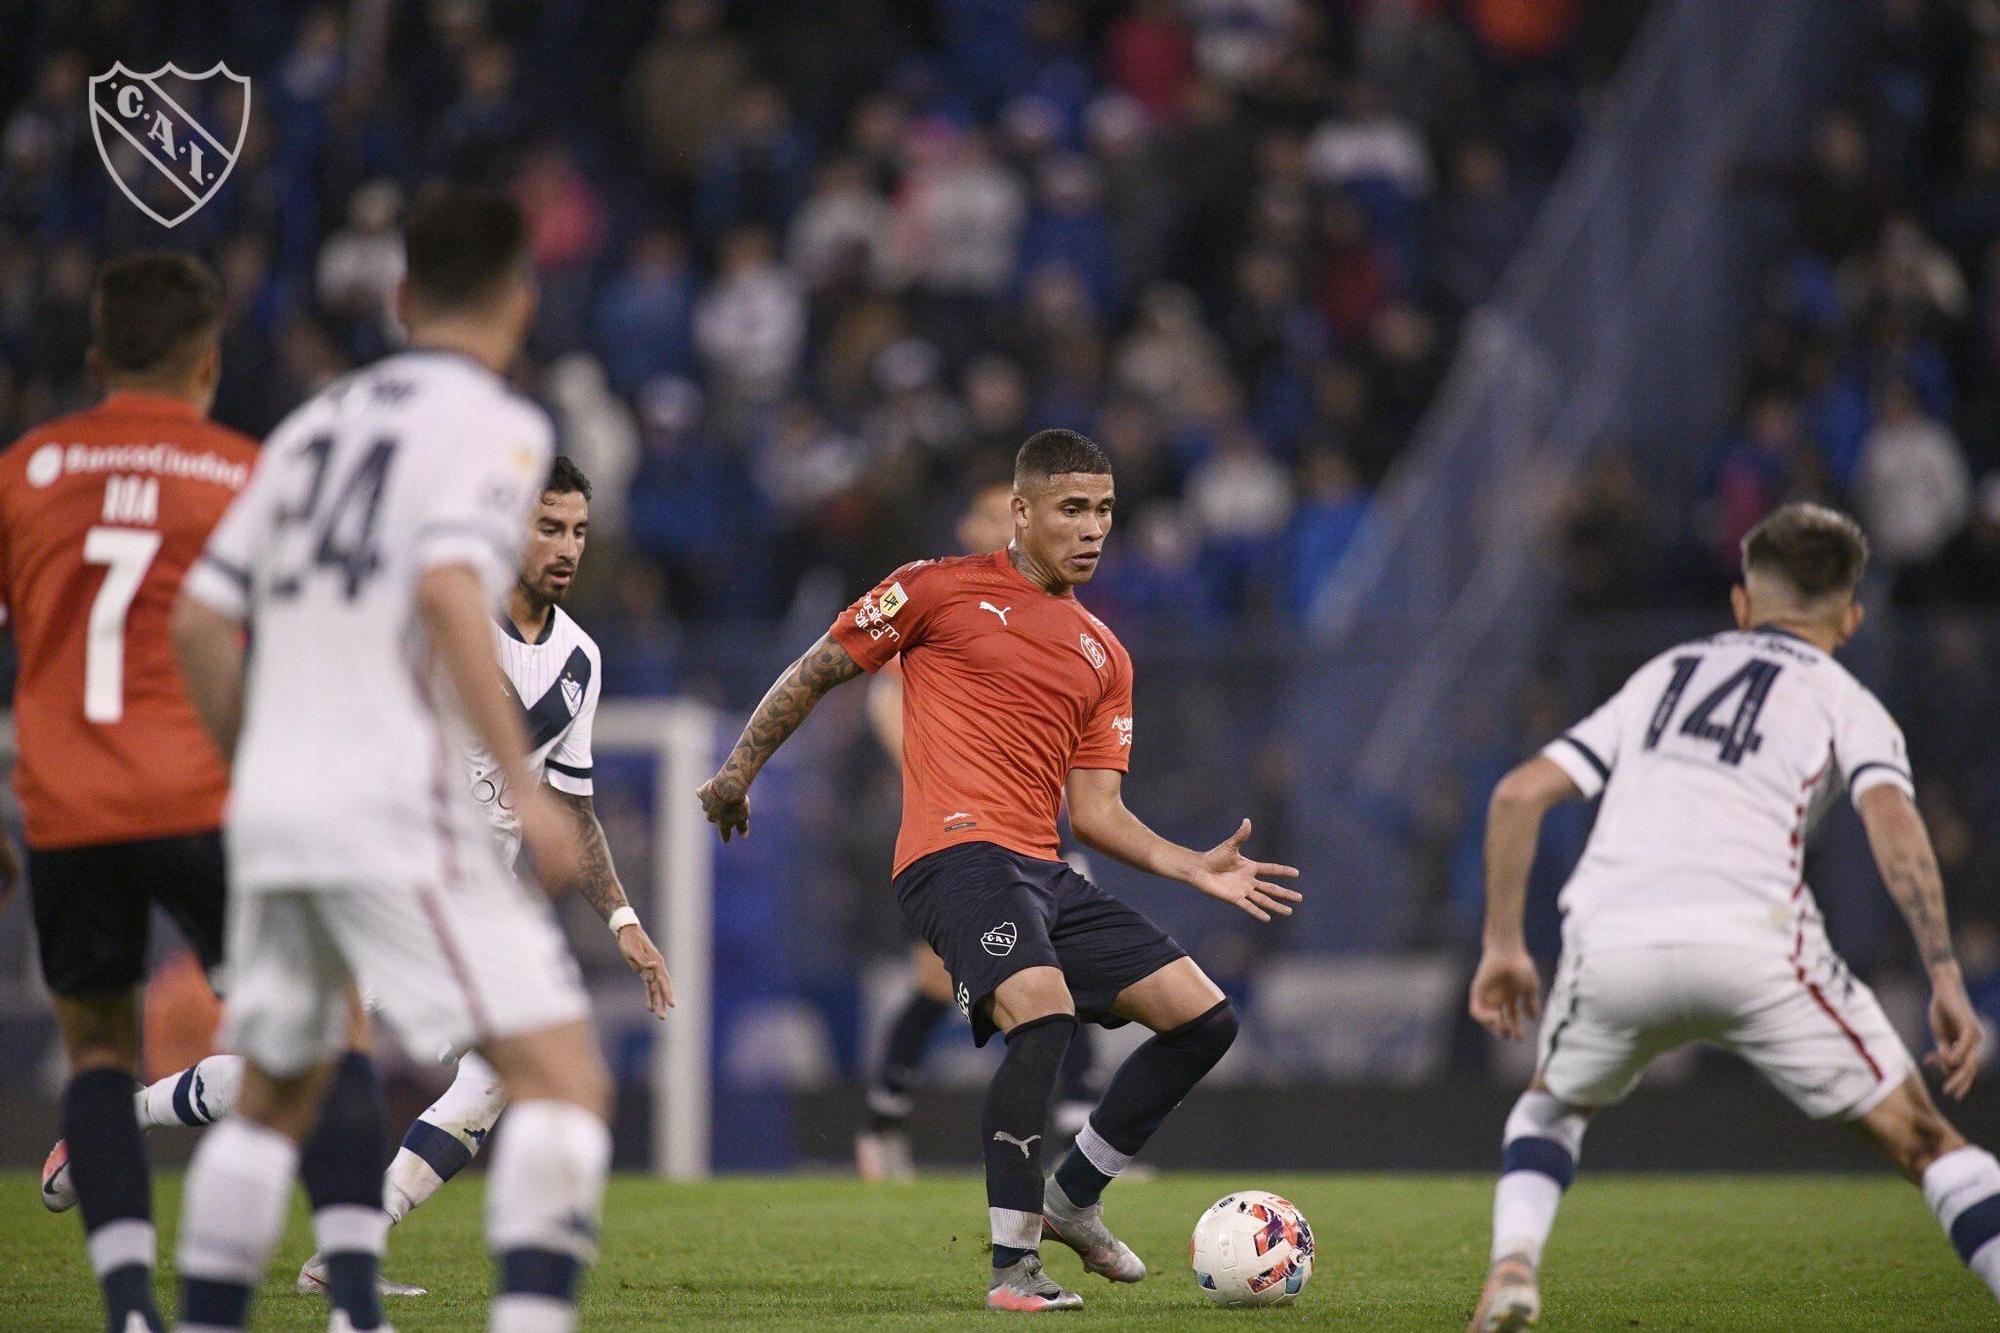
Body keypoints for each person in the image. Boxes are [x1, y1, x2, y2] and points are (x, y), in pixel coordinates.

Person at [698, 428, 1302, 1312]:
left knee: (1204, 1017)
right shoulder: (933, 589)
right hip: (951, 855)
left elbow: (1095, 811)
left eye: (1103, 510)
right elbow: (817, 670)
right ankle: (1012, 1267)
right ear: (1020, 512)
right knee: (1045, 1013)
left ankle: (1074, 1197)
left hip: (1042, 865)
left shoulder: (1105, 653)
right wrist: (736, 772)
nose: (1092, 528)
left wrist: (1192, 867)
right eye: (1071, 509)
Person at [44, 456, 673, 1303]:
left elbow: (574, 807)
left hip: (470, 907)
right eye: (547, 525)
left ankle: (347, 1251)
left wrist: (625, 919)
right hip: (386, 881)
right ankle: (123, 1118)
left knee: (494, 1075)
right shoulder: (442, 614)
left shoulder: (580, 661)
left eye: (579, 530)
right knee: (296, 1068)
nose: (566, 546)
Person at [168, 187, 610, 1333]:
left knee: (273, 1094)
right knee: (562, 1077)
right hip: (390, 802)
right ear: (521, 300)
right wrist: (522, 780)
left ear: (402, 297)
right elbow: (446, 584)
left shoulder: (316, 422)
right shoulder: (499, 426)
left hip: (277, 804)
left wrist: (251, 768)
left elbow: (201, 625)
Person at [1465, 502, 1997, 1331]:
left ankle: (1511, 1268)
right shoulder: (1848, 700)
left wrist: (1503, 945)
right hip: (1753, 945)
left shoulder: (1664, 673)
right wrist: (1943, 970)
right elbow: (1893, 825)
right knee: (1928, 1143)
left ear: (1743, 604)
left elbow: (1517, 792)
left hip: (1611, 941)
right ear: (1850, 620)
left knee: (1548, 1107)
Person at [0, 252, 258, 1332]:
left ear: (98, 358)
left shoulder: (25, 470)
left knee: (97, 1050)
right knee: (315, 1040)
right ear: (209, 362)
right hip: (197, 793)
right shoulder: (241, 471)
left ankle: (130, 1310)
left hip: (64, 803)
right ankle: (341, 1291)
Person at [855, 478, 1101, 1182]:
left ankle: (1075, 1119)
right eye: (996, 515)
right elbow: (894, 719)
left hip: (1035, 829)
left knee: (1064, 962)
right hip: (954, 836)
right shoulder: (935, 619)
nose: (1009, 530)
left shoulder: (1053, 620)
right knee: (937, 982)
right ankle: (882, 1115)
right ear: (968, 527)